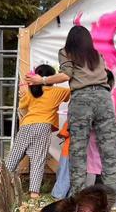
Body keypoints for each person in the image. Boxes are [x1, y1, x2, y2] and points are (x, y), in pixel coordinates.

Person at [26, 26, 116, 206]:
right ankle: (113, 201)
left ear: (70, 40)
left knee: (78, 151)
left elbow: (65, 75)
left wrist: (42, 80)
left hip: (82, 99)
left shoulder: (66, 52)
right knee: (109, 151)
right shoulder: (97, 55)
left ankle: (78, 199)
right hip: (104, 98)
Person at [7, 64, 70, 198]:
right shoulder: (58, 92)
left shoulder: (31, 91)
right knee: (38, 159)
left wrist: (24, 90)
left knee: (13, 157)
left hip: (26, 125)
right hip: (43, 126)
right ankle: (34, 194)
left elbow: (22, 105)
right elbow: (71, 93)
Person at [52, 70, 115, 199]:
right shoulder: (104, 99)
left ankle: (64, 194)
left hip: (79, 143)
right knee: (80, 170)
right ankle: (68, 195)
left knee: (72, 170)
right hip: (87, 143)